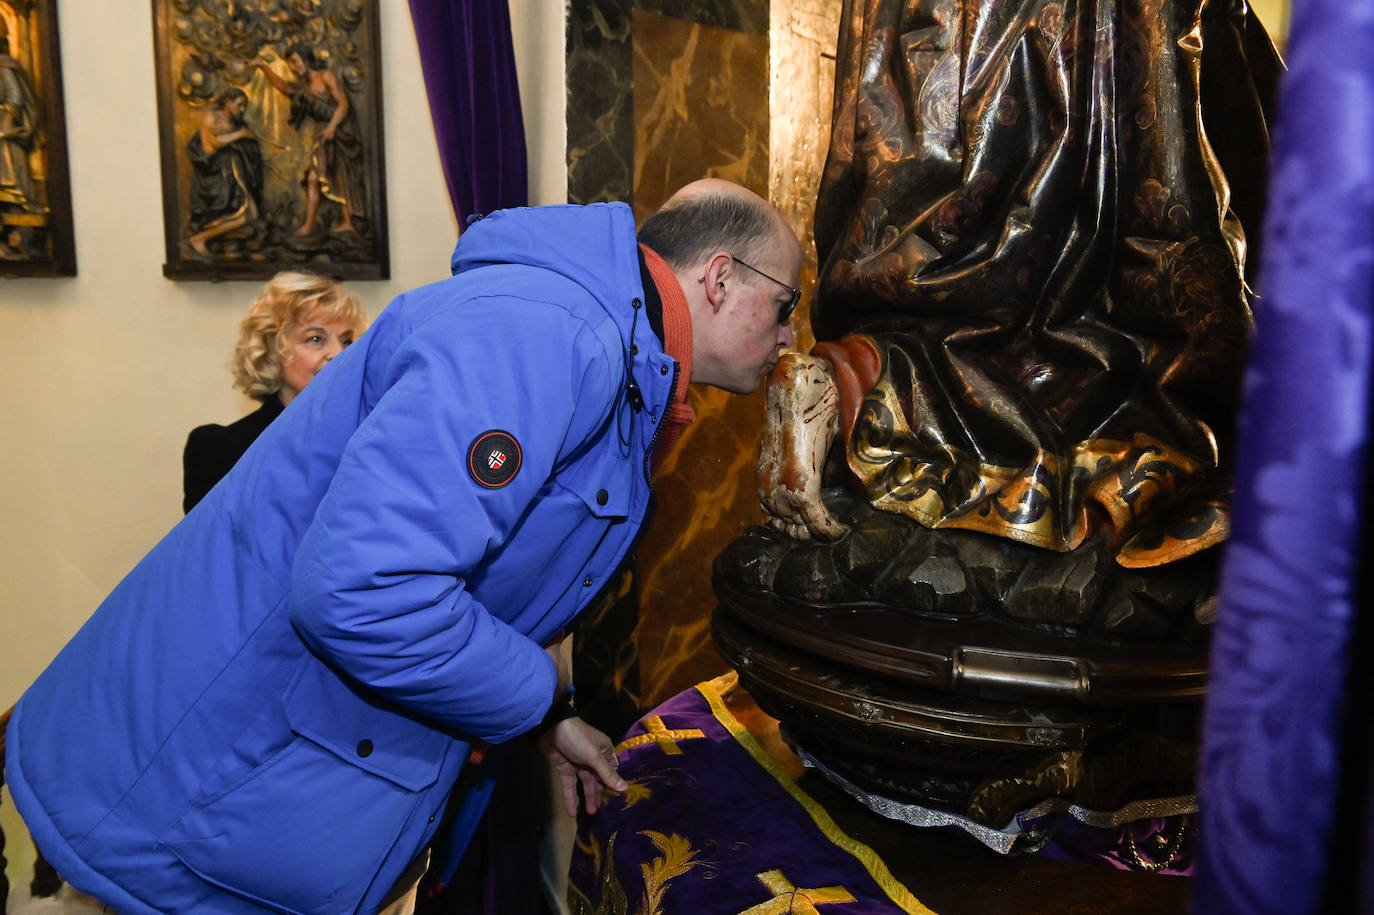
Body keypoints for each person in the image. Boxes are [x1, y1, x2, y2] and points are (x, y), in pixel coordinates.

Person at [4, 178, 799, 914]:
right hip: (203, 788)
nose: (791, 333)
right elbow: (366, 590)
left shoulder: (602, 346)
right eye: (787, 302)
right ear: (720, 278)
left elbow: (481, 578)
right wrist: (531, 689)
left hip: (260, 784)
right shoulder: (552, 336)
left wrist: (545, 721)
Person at [182, 270, 367, 513]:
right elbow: (209, 547)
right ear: (273, 350)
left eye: (346, 341)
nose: (339, 354)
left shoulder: (370, 435)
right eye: (315, 339)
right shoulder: (221, 448)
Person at [252, 44, 366, 236]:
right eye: (290, 66)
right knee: (315, 177)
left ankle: (348, 222)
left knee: (342, 174)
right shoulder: (303, 89)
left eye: (296, 62)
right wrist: (263, 67)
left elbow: (343, 104)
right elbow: (284, 87)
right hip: (324, 133)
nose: (294, 68)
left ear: (306, 59)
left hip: (340, 130)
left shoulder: (325, 76)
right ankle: (309, 226)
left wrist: (332, 127)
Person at [185, 87, 265, 257]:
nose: (242, 109)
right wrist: (240, 135)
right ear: (227, 102)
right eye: (239, 105)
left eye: (244, 106)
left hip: (233, 175)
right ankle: (200, 239)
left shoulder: (237, 123)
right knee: (242, 216)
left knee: (253, 214)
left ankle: (221, 241)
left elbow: (247, 146)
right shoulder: (211, 118)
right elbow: (212, 144)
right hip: (215, 176)